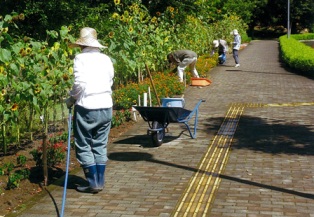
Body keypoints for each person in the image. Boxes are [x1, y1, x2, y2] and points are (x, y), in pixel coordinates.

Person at [65, 27, 114, 193]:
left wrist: (71, 99)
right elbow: (110, 80)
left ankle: (92, 183)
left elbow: (80, 84)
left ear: (81, 45)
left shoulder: (80, 58)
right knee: (100, 144)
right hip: (106, 105)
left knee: (84, 144)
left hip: (87, 107)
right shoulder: (106, 59)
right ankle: (99, 182)